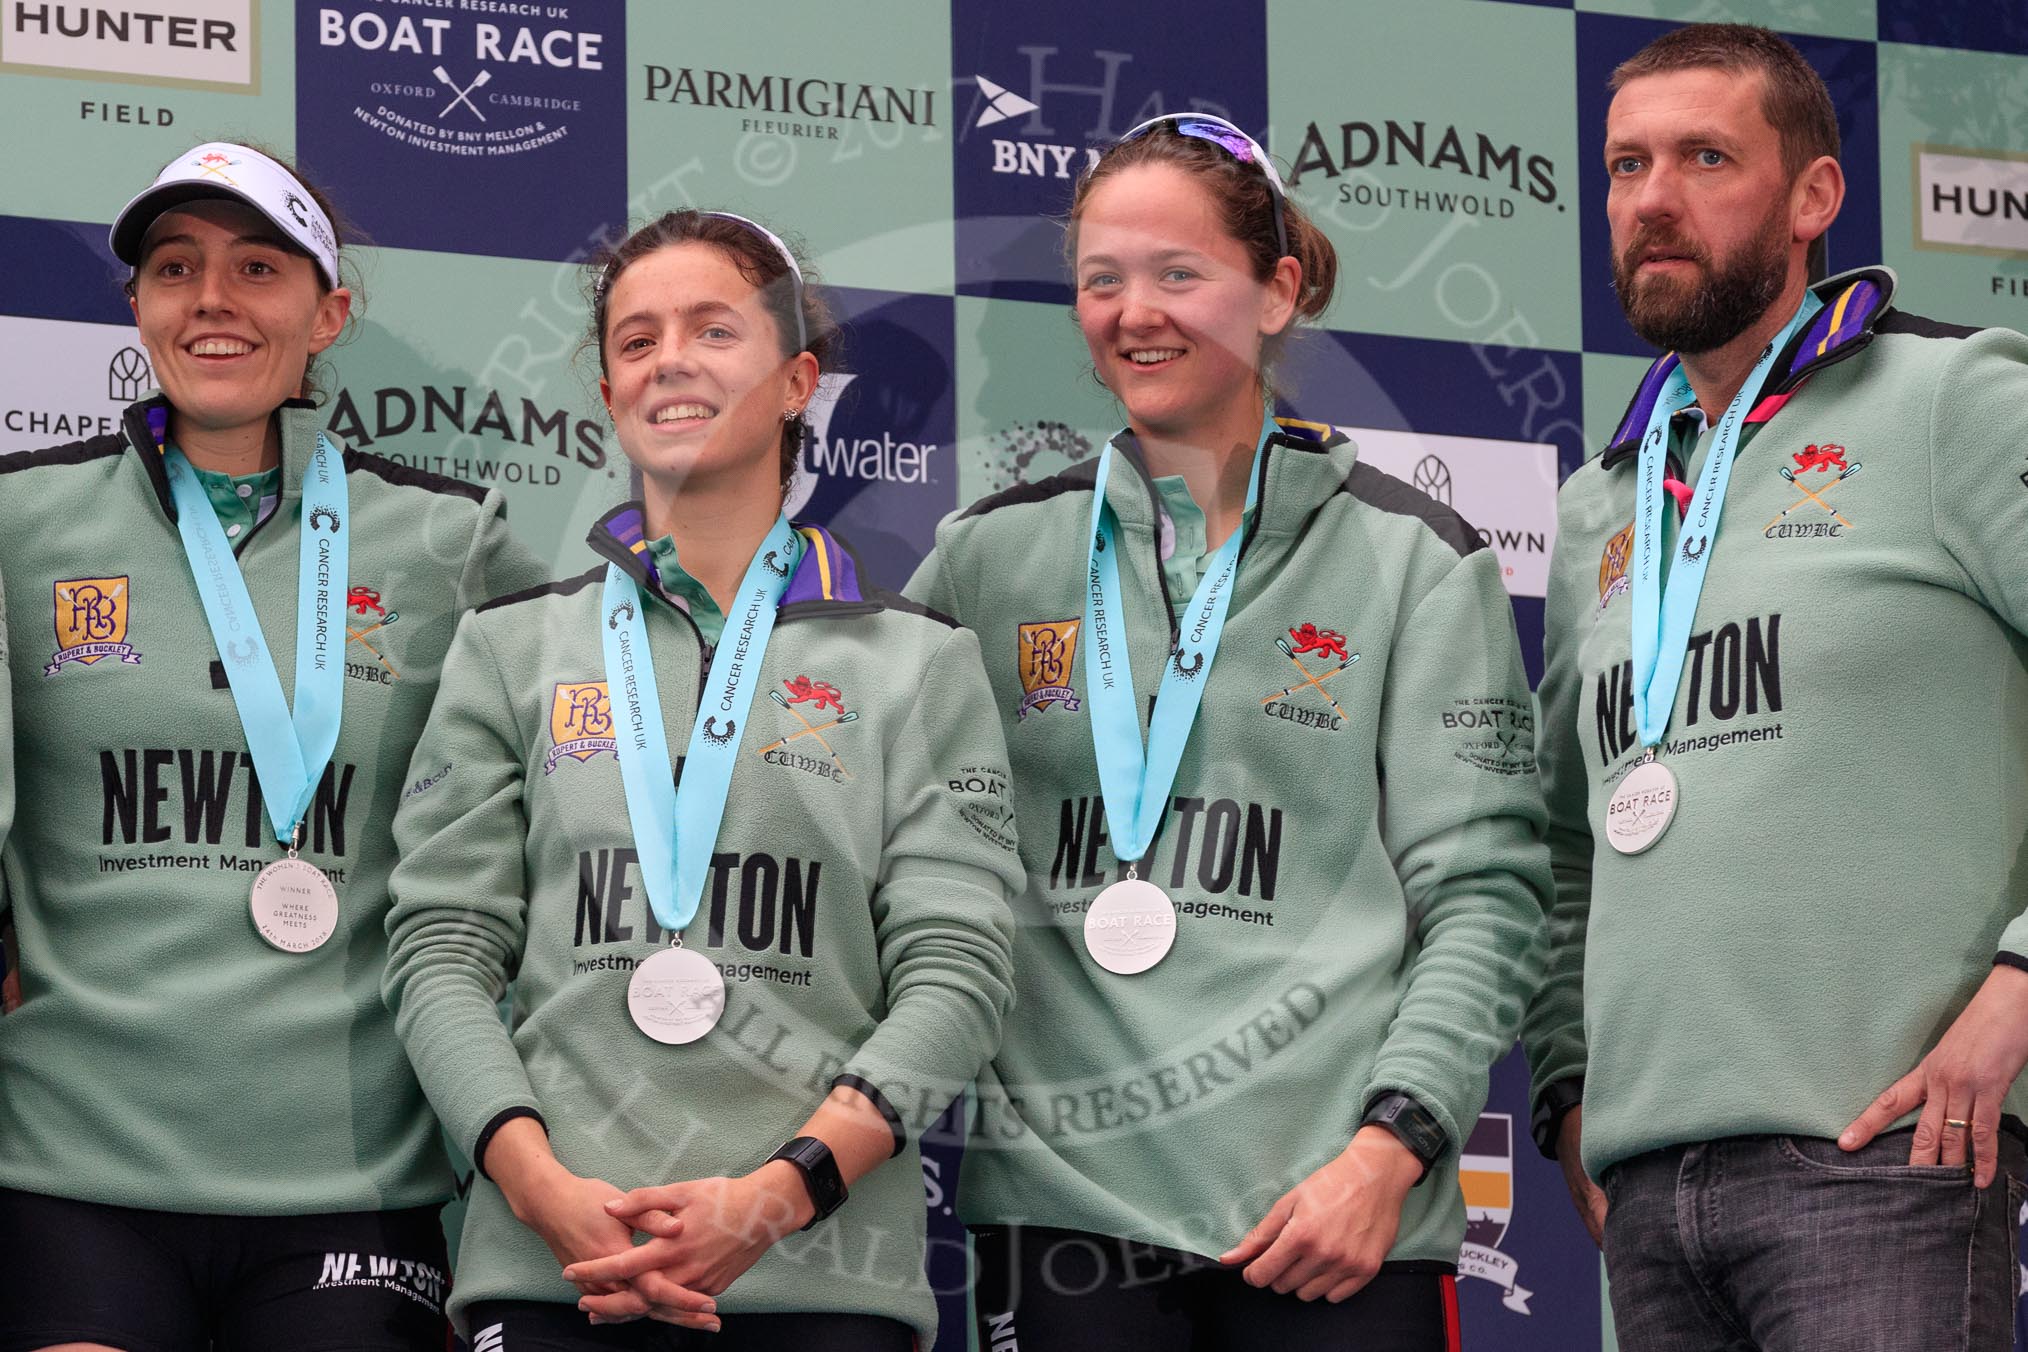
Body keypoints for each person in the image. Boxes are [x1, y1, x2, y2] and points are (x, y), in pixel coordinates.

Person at [905, 114, 1551, 1350]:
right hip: (1065, 1220)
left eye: (1177, 273)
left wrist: (1390, 1150)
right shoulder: (984, 560)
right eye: (1101, 280)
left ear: (1278, 290)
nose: (1133, 310)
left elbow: (1486, 896)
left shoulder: (1415, 560)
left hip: (1336, 1219)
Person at [382, 209, 1022, 1350]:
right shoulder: (511, 647)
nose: (669, 358)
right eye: (637, 339)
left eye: (713, 329)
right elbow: (438, 952)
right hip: (555, 1271)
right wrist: (543, 1191)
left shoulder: (921, 661)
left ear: (797, 381)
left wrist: (774, 1195)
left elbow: (958, 976)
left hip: (823, 1281)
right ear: (609, 389)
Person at [1523, 22, 2028, 1348]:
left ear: (1813, 198)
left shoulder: (1952, 399)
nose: (1654, 200)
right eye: (1627, 166)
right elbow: (1569, 840)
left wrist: (2023, 986)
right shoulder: (1600, 505)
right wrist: (1574, 1091)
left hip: (1887, 1157)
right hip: (1647, 1196)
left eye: (1704, 158)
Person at [0, 140, 545, 1350]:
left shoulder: (456, 543)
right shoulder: (18, 518)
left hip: (354, 1175)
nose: (212, 299)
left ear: (329, 310)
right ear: (137, 304)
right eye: (175, 266)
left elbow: (574, 809)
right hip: (74, 1160)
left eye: (257, 266)